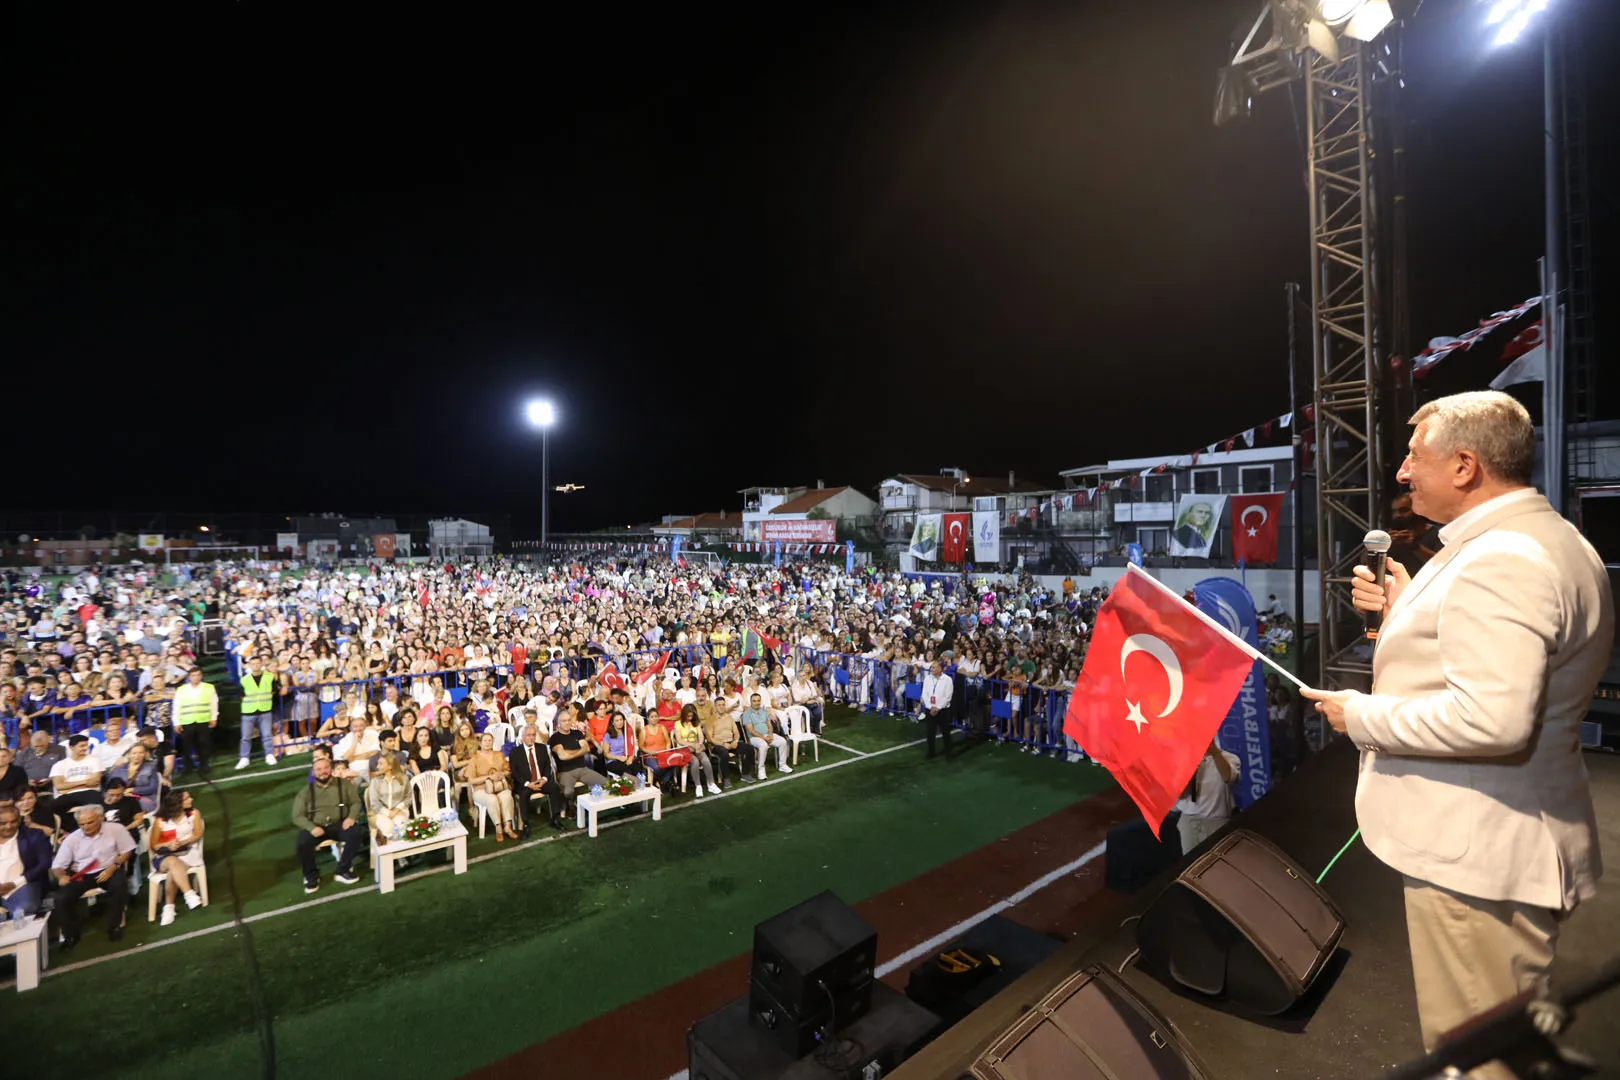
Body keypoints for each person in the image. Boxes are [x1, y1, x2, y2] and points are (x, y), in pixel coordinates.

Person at [1300, 391, 1615, 1078]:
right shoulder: (1540, 540)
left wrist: (1361, 716)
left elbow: (1490, 719)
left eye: (1416, 457)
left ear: (1466, 465)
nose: (1404, 475)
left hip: (1482, 861)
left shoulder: (1503, 560)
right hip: (1499, 844)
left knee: (1480, 1062)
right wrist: (1404, 603)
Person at [51, 805, 136, 947]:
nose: (86, 827)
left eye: (90, 822)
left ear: (101, 818)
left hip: (110, 868)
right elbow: (58, 866)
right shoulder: (72, 839)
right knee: (61, 897)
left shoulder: (116, 829)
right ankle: (70, 935)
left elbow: (127, 851)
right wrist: (61, 877)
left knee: (119, 886)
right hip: (83, 874)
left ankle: (114, 927)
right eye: (82, 824)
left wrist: (114, 866)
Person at [291, 754, 366, 894]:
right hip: (316, 827)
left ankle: (343, 869)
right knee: (302, 843)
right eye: (319, 769)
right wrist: (311, 828)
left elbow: (355, 802)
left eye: (326, 768)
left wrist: (351, 818)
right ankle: (311, 876)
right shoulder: (306, 791)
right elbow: (297, 816)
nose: (323, 771)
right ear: (313, 773)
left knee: (356, 833)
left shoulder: (344, 784)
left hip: (339, 824)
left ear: (331, 769)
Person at [148, 789, 205, 926]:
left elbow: (197, 834)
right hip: (164, 857)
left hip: (187, 854)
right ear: (177, 804)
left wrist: (182, 842)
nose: (191, 800)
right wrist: (168, 845)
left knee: (174, 869)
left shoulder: (193, 814)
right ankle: (189, 894)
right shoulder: (160, 820)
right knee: (173, 862)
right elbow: (153, 845)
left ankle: (169, 908)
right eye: (186, 799)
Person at [1173, 740, 1240, 854]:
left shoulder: (1229, 758)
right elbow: (1181, 794)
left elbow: (1229, 778)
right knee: (1191, 864)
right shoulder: (1182, 760)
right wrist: (1190, 767)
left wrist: (1215, 753)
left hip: (1218, 822)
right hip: (1190, 822)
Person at [0, 802, 53, 923]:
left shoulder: (34, 836)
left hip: (22, 884)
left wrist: (15, 883)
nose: (9, 826)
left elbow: (45, 863)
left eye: (13, 822)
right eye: (3, 823)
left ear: (19, 820)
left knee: (25, 909)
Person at [508, 723, 564, 835]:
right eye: (528, 735)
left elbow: (548, 766)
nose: (531, 737)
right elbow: (515, 772)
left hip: (541, 781)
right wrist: (528, 783)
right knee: (524, 794)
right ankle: (526, 824)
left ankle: (555, 819)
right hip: (526, 783)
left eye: (533, 735)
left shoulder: (542, 748)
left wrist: (544, 779)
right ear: (523, 737)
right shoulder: (515, 752)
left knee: (555, 788)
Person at [49, 734, 105, 830]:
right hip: (68, 795)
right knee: (52, 809)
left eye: (86, 745)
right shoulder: (60, 765)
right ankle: (69, 831)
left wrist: (68, 786)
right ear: (71, 747)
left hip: (90, 792)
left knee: (97, 808)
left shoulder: (94, 760)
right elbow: (59, 786)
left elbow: (95, 781)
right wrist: (85, 782)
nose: (85, 748)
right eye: (82, 746)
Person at [172, 666, 219, 774]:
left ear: (201, 676)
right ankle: (188, 767)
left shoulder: (209, 687)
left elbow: (214, 703)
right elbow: (177, 706)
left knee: (204, 745)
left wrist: (213, 717)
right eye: (193, 675)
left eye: (198, 675)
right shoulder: (181, 689)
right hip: (186, 721)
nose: (196, 678)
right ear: (189, 677)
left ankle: (204, 766)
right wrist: (177, 722)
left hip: (203, 720)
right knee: (186, 746)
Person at [236, 654, 278, 770]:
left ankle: (269, 755)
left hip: (265, 709)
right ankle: (244, 758)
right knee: (245, 737)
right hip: (248, 711)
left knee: (267, 735)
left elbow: (274, 691)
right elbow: (241, 695)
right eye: (253, 664)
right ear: (249, 665)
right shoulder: (244, 679)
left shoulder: (269, 677)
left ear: (262, 664)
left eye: (257, 663)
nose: (255, 666)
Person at [366, 750, 413, 847]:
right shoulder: (376, 781)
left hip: (400, 810)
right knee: (388, 827)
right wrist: (388, 813)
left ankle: (402, 854)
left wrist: (397, 809)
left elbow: (408, 797)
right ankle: (392, 856)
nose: (377, 766)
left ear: (390, 766)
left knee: (400, 824)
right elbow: (374, 802)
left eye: (381, 764)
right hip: (382, 812)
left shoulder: (403, 779)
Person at [674, 703, 720, 796]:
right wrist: (692, 745)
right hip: (684, 749)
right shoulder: (678, 724)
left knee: (705, 760)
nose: (690, 717)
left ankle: (711, 784)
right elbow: (679, 740)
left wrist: (699, 744)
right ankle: (698, 786)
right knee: (695, 761)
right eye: (688, 716)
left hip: (696, 747)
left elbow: (701, 737)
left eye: (691, 716)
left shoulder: (696, 723)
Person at [740, 693, 789, 779]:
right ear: (751, 702)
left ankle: (783, 765)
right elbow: (751, 730)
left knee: (783, 741)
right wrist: (763, 737)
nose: (756, 703)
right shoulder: (746, 714)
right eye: (754, 701)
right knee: (764, 745)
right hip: (754, 738)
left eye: (758, 701)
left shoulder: (764, 711)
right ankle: (761, 770)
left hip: (767, 734)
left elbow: (769, 725)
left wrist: (770, 734)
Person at [920, 660, 955, 760]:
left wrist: (938, 707)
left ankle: (949, 753)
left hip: (943, 710)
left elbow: (948, 696)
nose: (932, 669)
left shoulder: (947, 679)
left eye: (934, 667)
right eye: (931, 667)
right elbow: (924, 694)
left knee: (946, 732)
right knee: (930, 732)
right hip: (930, 709)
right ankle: (931, 752)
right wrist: (930, 706)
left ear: (940, 668)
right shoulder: (927, 678)